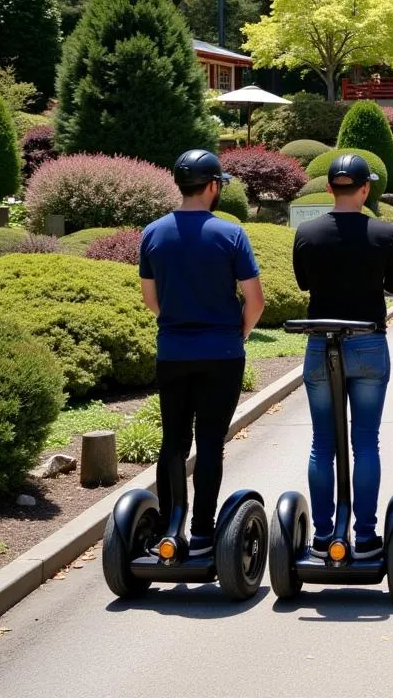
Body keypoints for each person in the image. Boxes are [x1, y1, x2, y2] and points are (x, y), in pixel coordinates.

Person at [139, 149, 265, 556]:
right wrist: (238, 332)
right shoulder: (230, 234)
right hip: (222, 352)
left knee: (173, 439)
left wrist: (178, 319)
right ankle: (203, 532)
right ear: (213, 186)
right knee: (211, 442)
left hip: (173, 351)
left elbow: (149, 298)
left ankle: (169, 526)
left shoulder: (153, 233)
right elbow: (255, 300)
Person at [292, 153, 393, 559]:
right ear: (365, 189)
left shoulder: (307, 232)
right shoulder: (384, 231)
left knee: (322, 442)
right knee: (366, 442)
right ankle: (366, 534)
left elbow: (304, 282)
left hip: (321, 343)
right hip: (368, 343)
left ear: (328, 189)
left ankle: (324, 535)